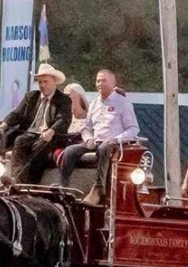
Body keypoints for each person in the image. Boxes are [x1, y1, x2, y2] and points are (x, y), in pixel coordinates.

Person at [57, 69, 140, 205]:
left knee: (104, 148)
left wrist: (116, 139)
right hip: (95, 141)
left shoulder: (123, 103)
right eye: (98, 81)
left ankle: (98, 189)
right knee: (70, 151)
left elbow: (133, 129)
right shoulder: (94, 104)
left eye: (104, 80)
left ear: (113, 82)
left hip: (113, 144)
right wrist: (88, 138)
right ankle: (64, 187)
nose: (100, 84)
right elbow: (87, 128)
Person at [0, 63, 72, 184]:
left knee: (39, 147)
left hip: (51, 136)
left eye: (45, 82)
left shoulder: (63, 100)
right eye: (40, 82)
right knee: (19, 141)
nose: (42, 85)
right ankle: (16, 181)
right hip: (30, 133)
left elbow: (63, 120)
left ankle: (30, 182)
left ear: (54, 82)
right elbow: (17, 114)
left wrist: (51, 131)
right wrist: (5, 123)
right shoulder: (31, 97)